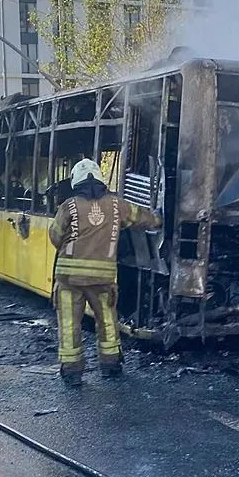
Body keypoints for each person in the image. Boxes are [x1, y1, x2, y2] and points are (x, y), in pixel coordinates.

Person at [48, 158, 162, 386]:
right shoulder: (116, 205)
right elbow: (143, 218)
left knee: (70, 324)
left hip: (69, 279)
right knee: (108, 321)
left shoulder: (68, 206)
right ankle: (110, 365)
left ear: (75, 181)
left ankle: (72, 372)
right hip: (103, 279)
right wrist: (158, 217)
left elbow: (55, 235)